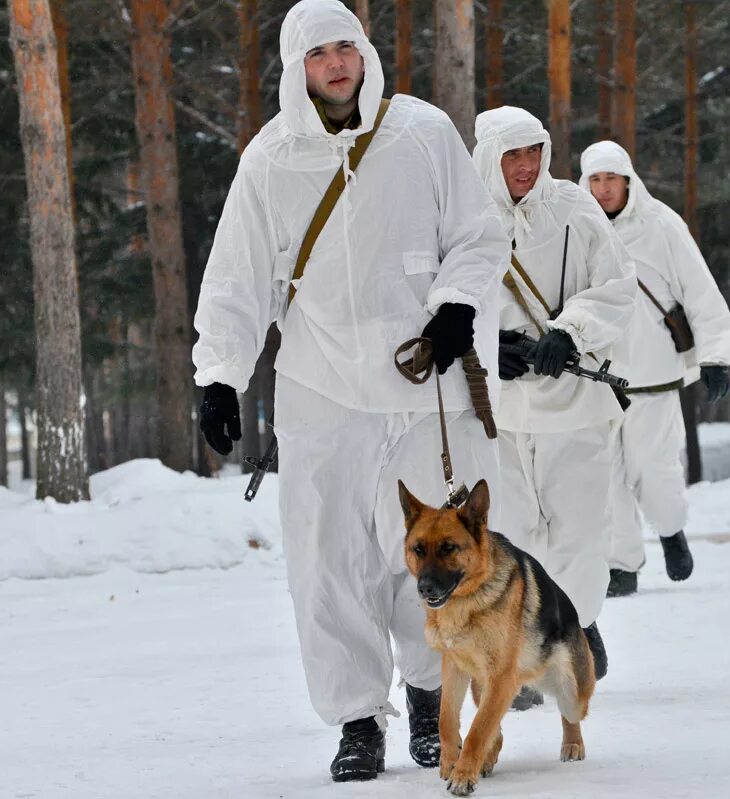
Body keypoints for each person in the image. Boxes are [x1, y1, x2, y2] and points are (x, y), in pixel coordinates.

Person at [192, 0, 508, 782]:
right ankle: (357, 719)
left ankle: (437, 704)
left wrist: (458, 307)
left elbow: (477, 235)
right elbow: (236, 279)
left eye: (346, 47)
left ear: (364, 53)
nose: (336, 64)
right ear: (296, 69)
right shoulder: (268, 161)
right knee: (328, 558)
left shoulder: (424, 133)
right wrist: (221, 377)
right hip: (319, 385)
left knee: (432, 558)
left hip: (418, 381)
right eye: (319, 54)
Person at [472, 107, 636, 707]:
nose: (525, 165)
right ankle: (524, 644)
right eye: (511, 154)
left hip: (575, 404)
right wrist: (486, 344)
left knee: (579, 530)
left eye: (533, 151)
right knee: (511, 533)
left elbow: (617, 284)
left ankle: (579, 624)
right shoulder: (460, 212)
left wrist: (569, 331)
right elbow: (436, 296)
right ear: (488, 156)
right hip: (499, 408)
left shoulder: (574, 207)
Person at [579, 141, 730, 598]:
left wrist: (715, 356)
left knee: (655, 469)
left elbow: (699, 290)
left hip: (654, 374)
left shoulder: (662, 225)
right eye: (595, 180)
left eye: (611, 179)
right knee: (605, 477)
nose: (604, 189)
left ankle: (671, 531)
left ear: (628, 180)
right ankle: (621, 564)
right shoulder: (575, 226)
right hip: (597, 377)